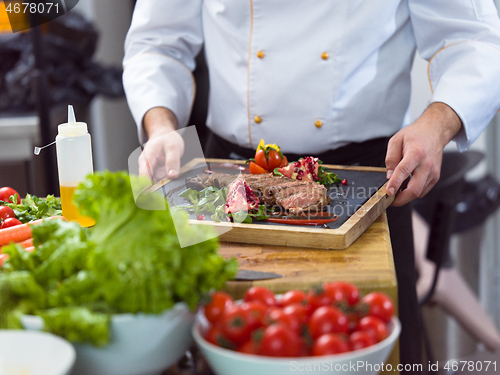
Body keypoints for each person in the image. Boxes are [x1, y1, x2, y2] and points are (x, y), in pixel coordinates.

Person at [123, 0, 500, 370]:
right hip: (231, 180)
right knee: (216, 348)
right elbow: (158, 43)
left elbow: (477, 43)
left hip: (367, 180)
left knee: (370, 350)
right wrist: (161, 127)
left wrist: (436, 126)